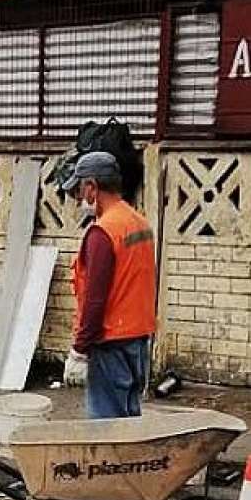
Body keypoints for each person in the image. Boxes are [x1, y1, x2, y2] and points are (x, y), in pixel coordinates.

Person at [61, 152, 157, 419]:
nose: (79, 198)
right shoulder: (139, 222)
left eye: (80, 190)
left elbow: (95, 300)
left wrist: (79, 350)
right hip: (138, 338)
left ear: (91, 187)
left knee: (108, 429)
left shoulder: (103, 232)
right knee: (129, 420)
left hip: (110, 343)